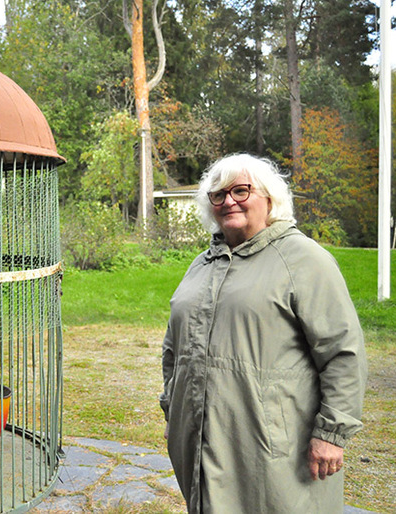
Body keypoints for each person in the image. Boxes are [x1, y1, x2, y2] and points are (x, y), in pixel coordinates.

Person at [159, 153, 368, 513]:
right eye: (218, 195)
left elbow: (342, 352)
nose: (228, 201)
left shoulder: (303, 259)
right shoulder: (202, 264)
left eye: (241, 191)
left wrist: (331, 434)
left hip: (272, 444)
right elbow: (173, 348)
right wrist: (174, 411)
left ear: (270, 198)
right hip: (203, 436)